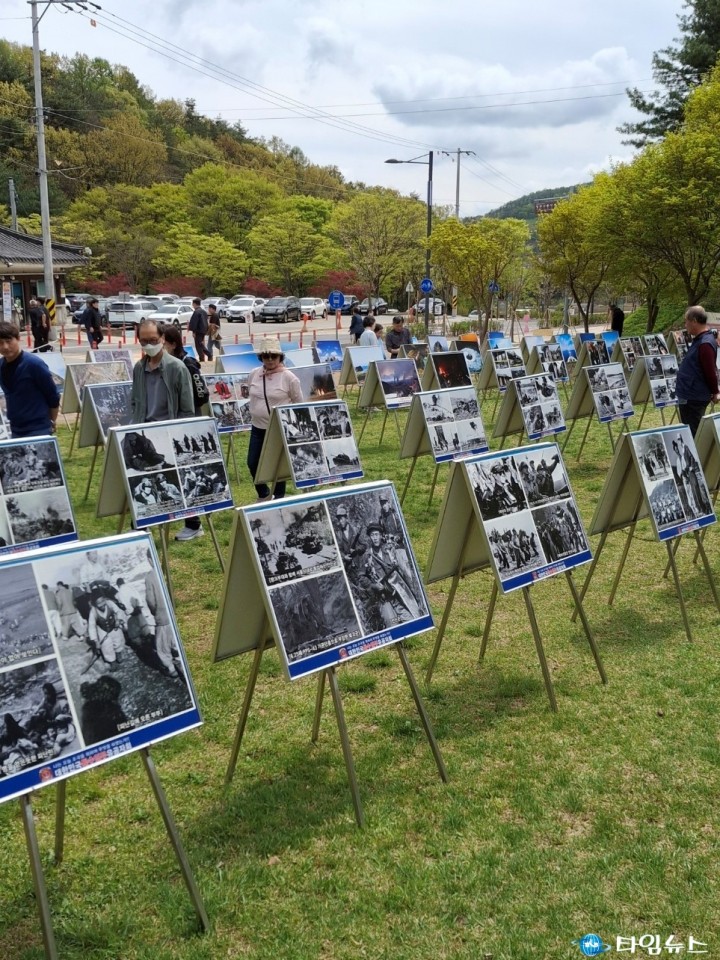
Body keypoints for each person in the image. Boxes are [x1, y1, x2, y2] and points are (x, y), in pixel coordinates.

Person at [130, 320, 200, 541]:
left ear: (162, 339)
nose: (149, 344)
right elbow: (136, 400)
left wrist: (178, 432)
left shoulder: (177, 368)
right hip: (145, 430)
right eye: (144, 341)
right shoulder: (139, 369)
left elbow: (187, 408)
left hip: (170, 429)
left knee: (175, 478)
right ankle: (140, 526)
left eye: (153, 340)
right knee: (141, 478)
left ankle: (194, 523)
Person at [246, 336, 302, 501]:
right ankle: (263, 494)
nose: (270, 360)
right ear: (261, 357)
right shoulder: (254, 374)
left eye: (274, 356)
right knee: (252, 462)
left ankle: (279, 497)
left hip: (279, 428)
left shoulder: (290, 378)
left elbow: (299, 404)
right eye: (266, 356)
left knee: (277, 466)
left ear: (280, 357)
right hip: (258, 427)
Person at [0, 322, 60, 438]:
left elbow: (53, 396)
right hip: (15, 428)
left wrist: (51, 421)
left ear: (18, 339)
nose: (5, 347)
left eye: (8, 341)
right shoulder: (1, 366)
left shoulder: (34, 364)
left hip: (38, 428)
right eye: (1, 343)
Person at [675, 305, 720, 436]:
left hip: (694, 397)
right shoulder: (701, 339)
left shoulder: (705, 343)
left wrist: (715, 392)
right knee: (689, 430)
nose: (685, 324)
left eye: (686, 321)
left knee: (693, 433)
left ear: (694, 320)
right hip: (689, 393)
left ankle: (697, 456)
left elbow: (710, 370)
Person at [188, 297, 209, 362]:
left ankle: (203, 357)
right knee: (200, 344)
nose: (192, 305)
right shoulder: (204, 312)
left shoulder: (196, 312)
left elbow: (194, 323)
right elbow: (206, 321)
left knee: (198, 345)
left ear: (194, 304)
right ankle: (207, 355)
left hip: (198, 331)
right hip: (203, 330)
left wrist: (194, 331)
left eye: (193, 304)